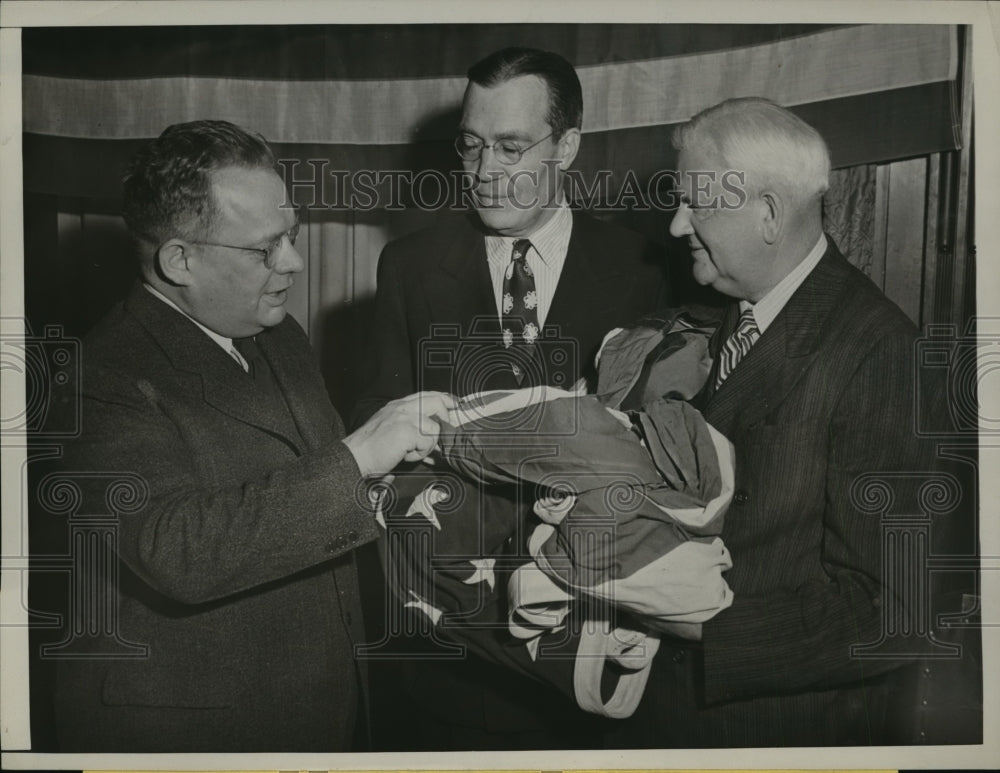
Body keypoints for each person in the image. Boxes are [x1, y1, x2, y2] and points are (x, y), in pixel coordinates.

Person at [51, 119, 453, 752]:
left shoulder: (277, 336)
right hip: (196, 733)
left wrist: (418, 474)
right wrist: (357, 457)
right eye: (264, 249)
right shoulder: (99, 378)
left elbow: (307, 491)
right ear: (178, 260)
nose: (292, 263)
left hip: (318, 703)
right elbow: (175, 549)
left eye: (291, 235)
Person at [352, 47, 668, 750]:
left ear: (570, 145)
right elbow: (373, 445)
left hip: (590, 661)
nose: (486, 172)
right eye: (470, 147)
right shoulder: (406, 267)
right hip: (448, 667)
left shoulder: (644, 269)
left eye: (511, 146)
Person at [606, 97, 946, 747]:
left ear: (767, 214)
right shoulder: (746, 307)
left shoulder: (880, 351)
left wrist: (696, 621)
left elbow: (892, 611)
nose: (676, 226)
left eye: (696, 204)